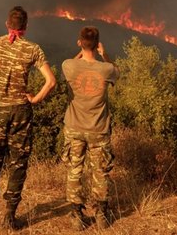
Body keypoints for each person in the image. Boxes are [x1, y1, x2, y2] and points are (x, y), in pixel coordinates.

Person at [0, 6, 56, 231]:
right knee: (17, 163)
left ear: (7, 25)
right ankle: (10, 219)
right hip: (21, 111)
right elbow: (51, 81)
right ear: (26, 27)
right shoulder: (33, 49)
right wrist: (35, 99)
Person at [61, 26, 117, 231]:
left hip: (74, 127)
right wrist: (104, 54)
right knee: (100, 171)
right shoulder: (106, 69)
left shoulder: (69, 66)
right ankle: (101, 213)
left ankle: (76, 214)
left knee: (74, 170)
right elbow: (115, 70)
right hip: (98, 129)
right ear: (98, 44)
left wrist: (81, 51)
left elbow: (74, 62)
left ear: (79, 42)